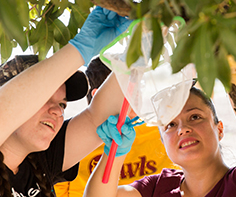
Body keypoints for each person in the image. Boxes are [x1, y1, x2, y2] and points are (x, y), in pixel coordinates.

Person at [0, 7, 132, 197]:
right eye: (45, 99)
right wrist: (80, 49)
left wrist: (138, 47)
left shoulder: (40, 161)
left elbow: (96, 117)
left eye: (63, 104)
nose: (58, 111)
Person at [83, 83, 236, 197]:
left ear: (219, 129)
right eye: (170, 125)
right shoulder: (157, 188)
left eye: (195, 117)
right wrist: (114, 152)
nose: (183, 129)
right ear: (162, 141)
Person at [53, 57, 180, 196]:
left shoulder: (162, 133)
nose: (136, 95)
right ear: (97, 96)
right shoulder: (72, 146)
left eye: (138, 87)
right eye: (127, 88)